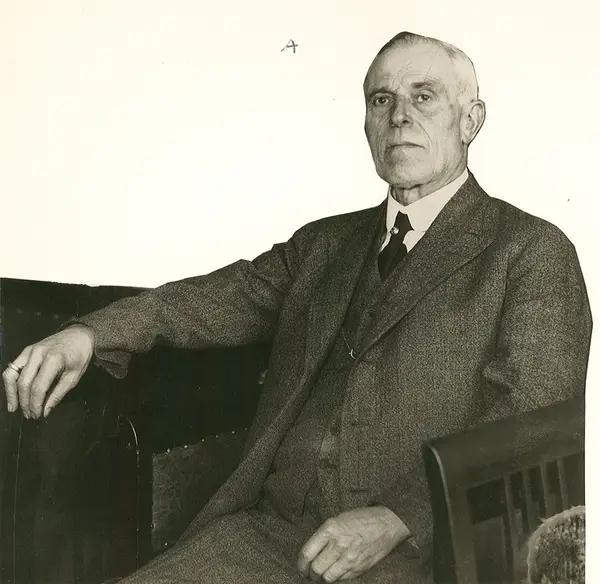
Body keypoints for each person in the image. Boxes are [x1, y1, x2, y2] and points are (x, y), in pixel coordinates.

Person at [2, 32, 592, 583]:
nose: (399, 116)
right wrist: (87, 335)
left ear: (471, 121)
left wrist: (398, 517)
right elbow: (213, 299)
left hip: (423, 556)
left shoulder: (530, 250)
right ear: (366, 124)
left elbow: (534, 417)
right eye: (381, 99)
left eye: (424, 97)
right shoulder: (326, 245)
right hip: (269, 537)